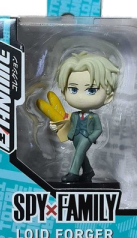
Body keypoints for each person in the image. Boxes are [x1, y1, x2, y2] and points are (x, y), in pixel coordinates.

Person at [51, 51, 120, 183]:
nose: (81, 97)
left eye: (91, 90)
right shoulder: (74, 115)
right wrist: (56, 127)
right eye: (73, 90)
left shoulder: (93, 117)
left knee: (78, 153)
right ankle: (88, 171)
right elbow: (65, 124)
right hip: (75, 137)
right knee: (81, 154)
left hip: (86, 137)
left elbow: (98, 129)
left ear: (109, 96)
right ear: (64, 93)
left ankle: (73, 173)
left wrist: (90, 138)